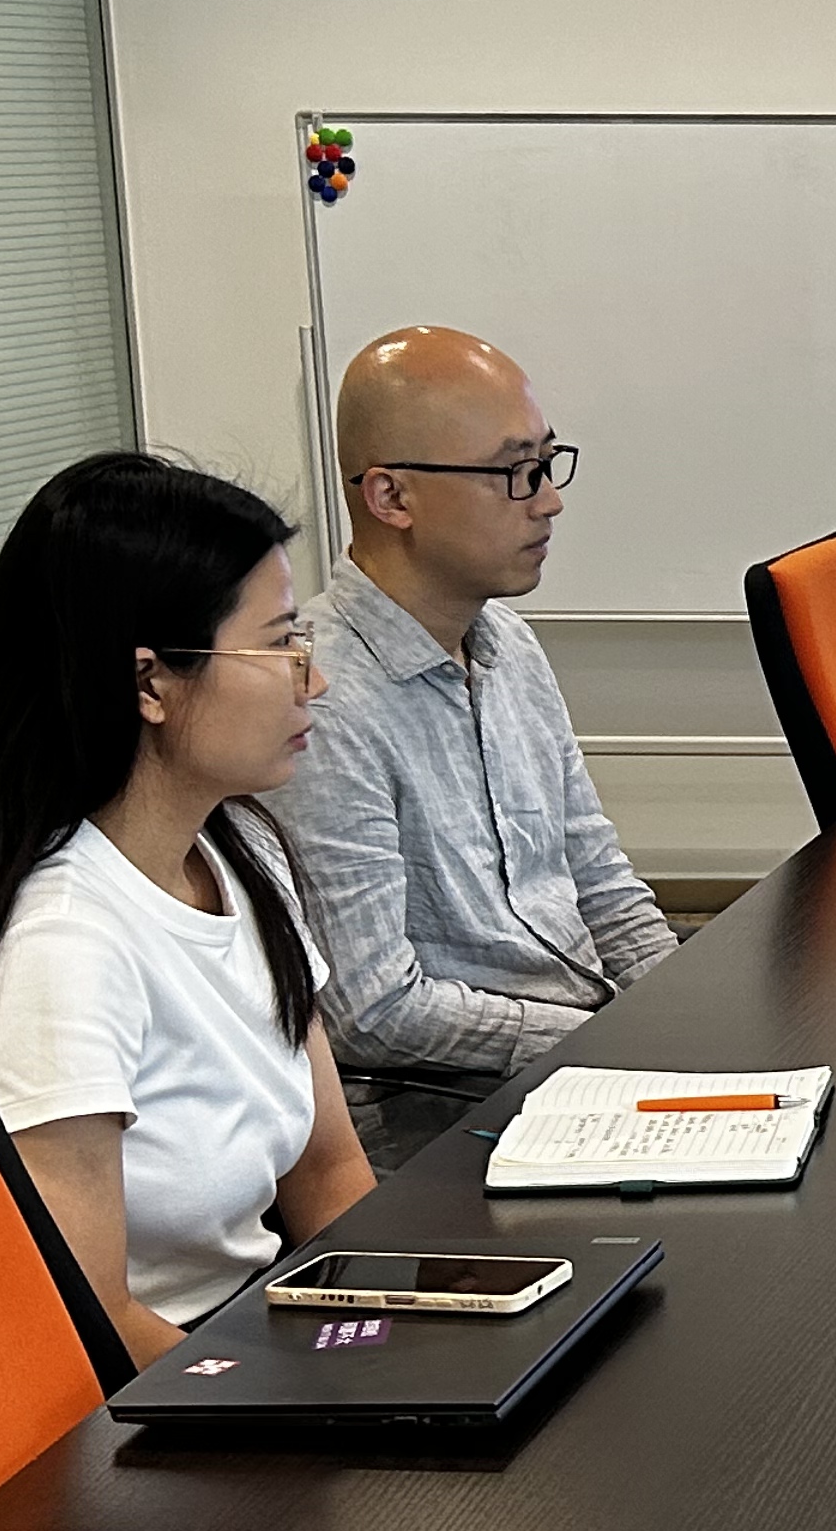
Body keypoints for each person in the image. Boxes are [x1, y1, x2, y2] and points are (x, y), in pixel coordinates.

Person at [0, 453, 375, 1365]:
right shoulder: (67, 946)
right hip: (165, 1387)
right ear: (150, 684)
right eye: (278, 644)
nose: (310, 681)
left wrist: (404, 1329)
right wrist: (304, 1408)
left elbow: (328, 1170)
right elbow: (94, 1319)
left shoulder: (237, 851)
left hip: (260, 1332)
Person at [272, 323, 680, 1164]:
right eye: (515, 473)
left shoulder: (509, 645)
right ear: (391, 497)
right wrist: (606, 1044)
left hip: (580, 1068)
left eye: (549, 463)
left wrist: (681, 1018)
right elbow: (374, 1010)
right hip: (450, 1121)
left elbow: (600, 883)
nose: (549, 500)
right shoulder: (321, 701)